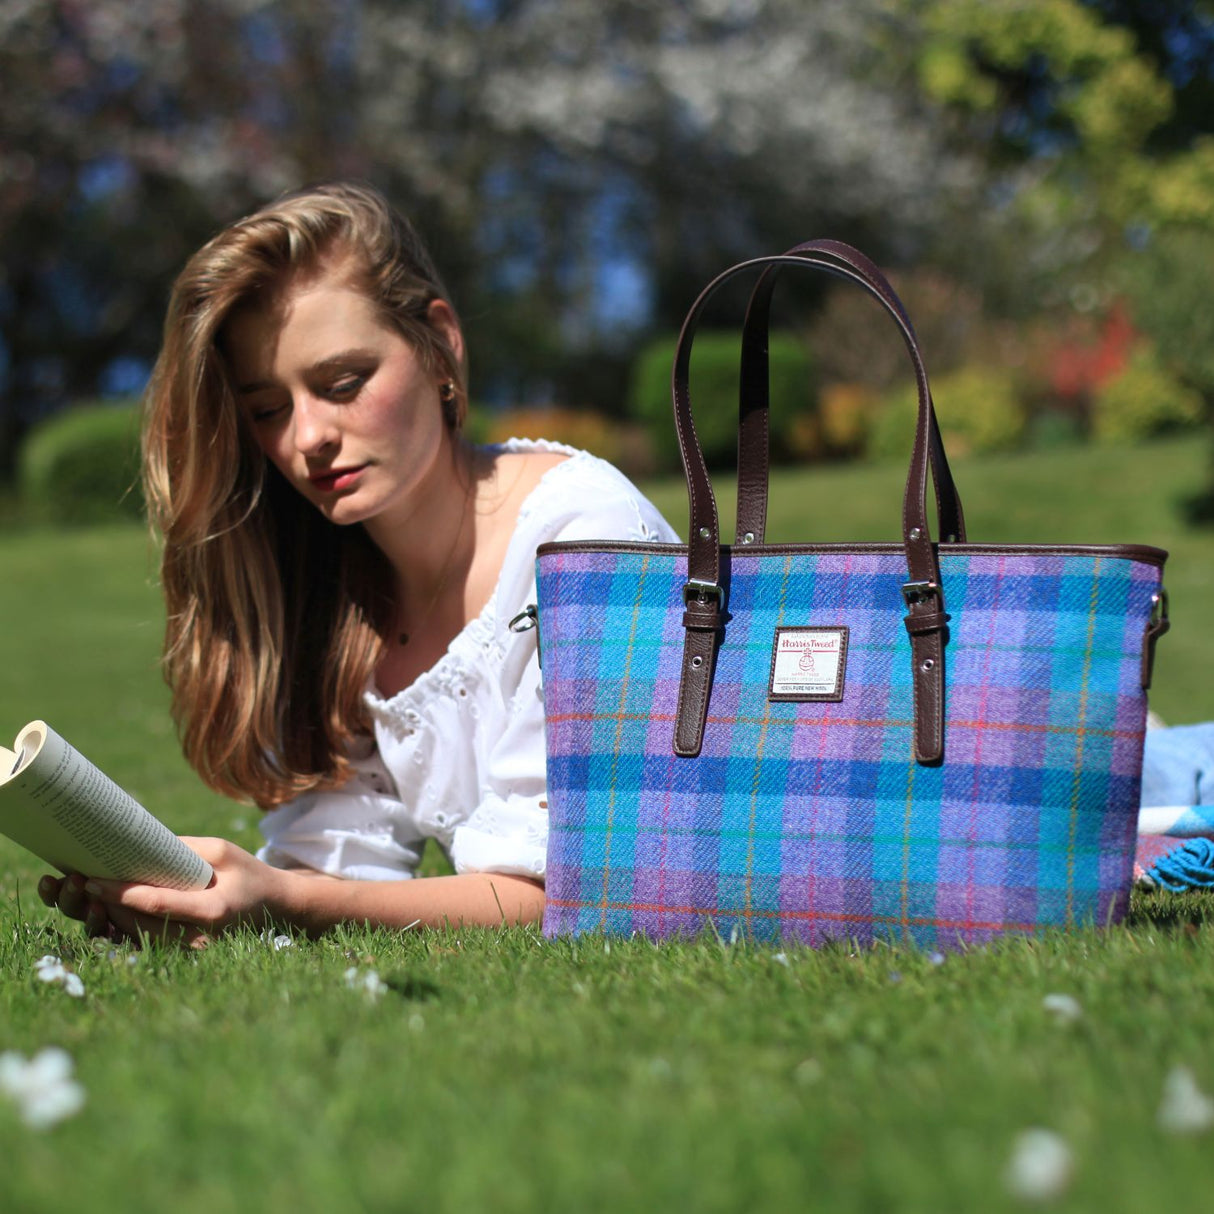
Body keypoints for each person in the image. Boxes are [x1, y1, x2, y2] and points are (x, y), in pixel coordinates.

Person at [37, 182, 677, 946]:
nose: (308, 436)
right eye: (268, 409)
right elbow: (341, 867)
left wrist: (283, 900)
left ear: (440, 344)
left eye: (343, 384)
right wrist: (200, 903)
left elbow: (564, 894)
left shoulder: (584, 537)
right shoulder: (330, 584)